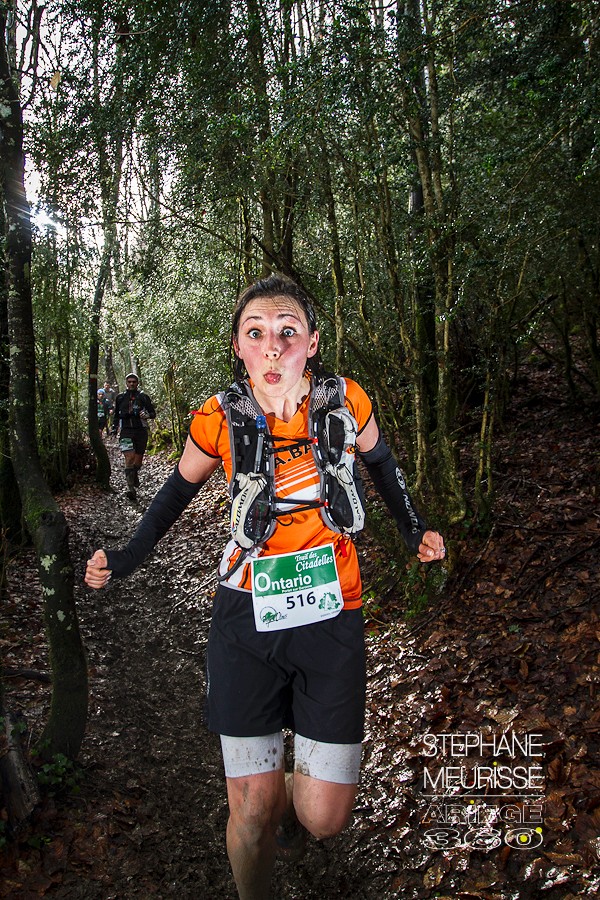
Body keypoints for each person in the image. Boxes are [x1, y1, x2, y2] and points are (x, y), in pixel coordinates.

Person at [85, 275, 445, 900]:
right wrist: (127, 556)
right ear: (238, 347)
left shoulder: (346, 402)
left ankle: (291, 792)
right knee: (253, 810)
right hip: (246, 618)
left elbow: (382, 465)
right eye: (256, 334)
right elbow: (175, 492)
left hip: (331, 617)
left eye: (287, 331)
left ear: (312, 342)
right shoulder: (219, 417)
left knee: (323, 817)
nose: (272, 347)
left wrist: (414, 530)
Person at [111, 373, 156, 499]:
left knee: (137, 462)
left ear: (137, 383)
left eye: (134, 382)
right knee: (129, 458)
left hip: (141, 431)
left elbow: (153, 413)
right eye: (129, 382)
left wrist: (147, 415)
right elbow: (116, 415)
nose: (131, 384)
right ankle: (130, 488)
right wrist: (114, 429)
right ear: (126, 383)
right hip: (126, 431)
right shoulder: (120, 397)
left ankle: (134, 473)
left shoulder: (143, 397)